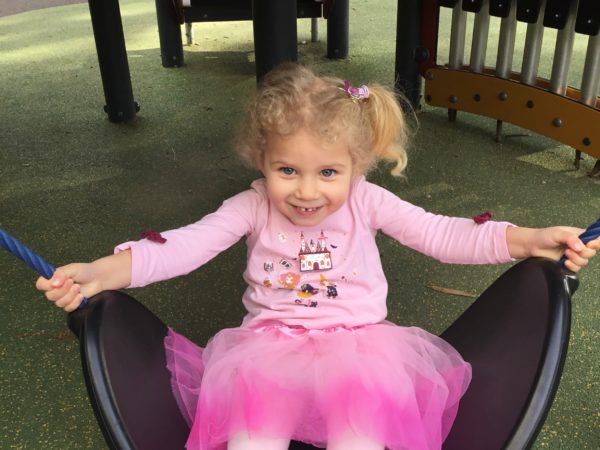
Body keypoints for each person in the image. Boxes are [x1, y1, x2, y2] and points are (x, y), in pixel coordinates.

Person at [36, 63, 599, 450]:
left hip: (359, 351)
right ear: (261, 160)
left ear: (358, 165)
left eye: (328, 172)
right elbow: (184, 245)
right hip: (266, 353)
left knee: (360, 440)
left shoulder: (367, 201)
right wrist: (101, 272)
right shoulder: (253, 205)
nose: (307, 191)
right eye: (287, 170)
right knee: (251, 440)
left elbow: (442, 234)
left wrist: (528, 239)